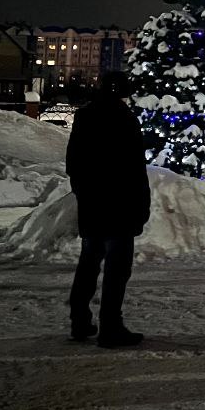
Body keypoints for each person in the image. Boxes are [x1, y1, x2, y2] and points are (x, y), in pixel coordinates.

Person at [66, 71, 151, 348]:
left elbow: (74, 163)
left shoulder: (85, 116)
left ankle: (80, 320)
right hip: (120, 206)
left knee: (89, 264)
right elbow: (134, 168)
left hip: (92, 205)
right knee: (117, 269)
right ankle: (110, 327)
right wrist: (141, 205)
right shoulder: (124, 119)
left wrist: (84, 193)